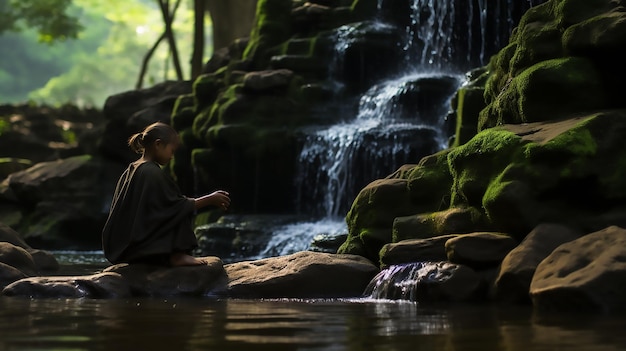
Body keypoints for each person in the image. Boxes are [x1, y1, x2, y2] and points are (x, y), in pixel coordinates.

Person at [102, 122, 230, 267]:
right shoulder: (151, 172)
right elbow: (174, 206)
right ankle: (178, 255)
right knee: (179, 208)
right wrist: (210, 199)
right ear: (158, 144)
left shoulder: (133, 168)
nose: (172, 157)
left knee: (177, 205)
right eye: (171, 150)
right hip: (139, 248)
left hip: (125, 247)